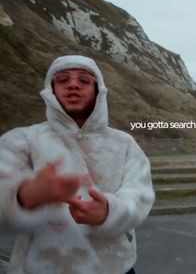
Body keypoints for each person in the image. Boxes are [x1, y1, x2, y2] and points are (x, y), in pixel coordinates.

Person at [0, 55, 155, 274]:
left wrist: (109, 212)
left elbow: (140, 196)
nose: (73, 84)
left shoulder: (124, 143)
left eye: (84, 80)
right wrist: (25, 196)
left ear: (98, 90)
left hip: (114, 267)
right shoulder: (21, 140)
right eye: (63, 79)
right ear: (51, 90)